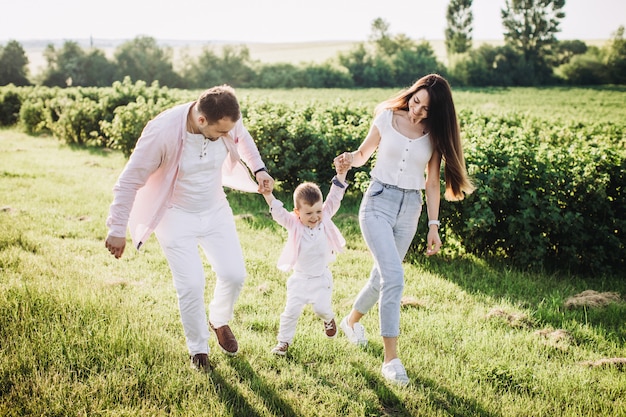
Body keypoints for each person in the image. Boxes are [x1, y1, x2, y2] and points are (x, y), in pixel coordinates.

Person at [104, 85, 274, 372]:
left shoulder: (225, 118)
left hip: (215, 209)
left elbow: (242, 138)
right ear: (201, 120)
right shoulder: (162, 132)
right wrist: (117, 228)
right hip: (174, 214)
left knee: (234, 275)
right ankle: (198, 350)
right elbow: (129, 180)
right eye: (221, 133)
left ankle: (219, 320)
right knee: (192, 284)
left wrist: (259, 169)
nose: (226, 137)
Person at [334, 74, 475, 385]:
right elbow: (362, 155)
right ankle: (391, 360)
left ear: (436, 112)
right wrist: (348, 160)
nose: (417, 112)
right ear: (410, 96)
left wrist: (434, 226)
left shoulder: (435, 135)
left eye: (426, 109)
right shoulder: (386, 118)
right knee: (394, 278)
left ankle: (351, 321)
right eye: (415, 102)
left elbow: (432, 183)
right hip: (378, 203)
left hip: (410, 209)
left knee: (380, 277)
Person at [261, 164, 350, 356]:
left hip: (321, 278)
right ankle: (283, 343)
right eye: (308, 213)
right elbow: (279, 213)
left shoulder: (324, 217)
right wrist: (268, 195)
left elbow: (334, 198)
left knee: (321, 309)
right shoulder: (294, 225)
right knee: (290, 311)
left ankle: (329, 319)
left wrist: (341, 174)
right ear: (297, 212)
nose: (315, 217)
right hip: (299, 279)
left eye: (318, 211)